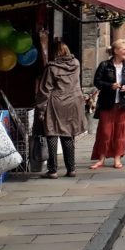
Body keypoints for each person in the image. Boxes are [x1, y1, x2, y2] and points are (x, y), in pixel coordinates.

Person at [36, 37, 87, 178]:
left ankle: (52, 170)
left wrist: (40, 109)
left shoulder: (51, 68)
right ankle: (71, 169)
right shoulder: (76, 63)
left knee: (52, 133)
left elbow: (45, 90)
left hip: (57, 102)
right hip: (74, 101)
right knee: (68, 134)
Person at [91, 39, 125, 169]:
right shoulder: (104, 65)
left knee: (120, 133)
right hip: (108, 103)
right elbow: (97, 81)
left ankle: (117, 158)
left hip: (123, 104)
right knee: (105, 132)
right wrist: (110, 85)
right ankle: (101, 159)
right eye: (124, 49)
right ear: (116, 51)